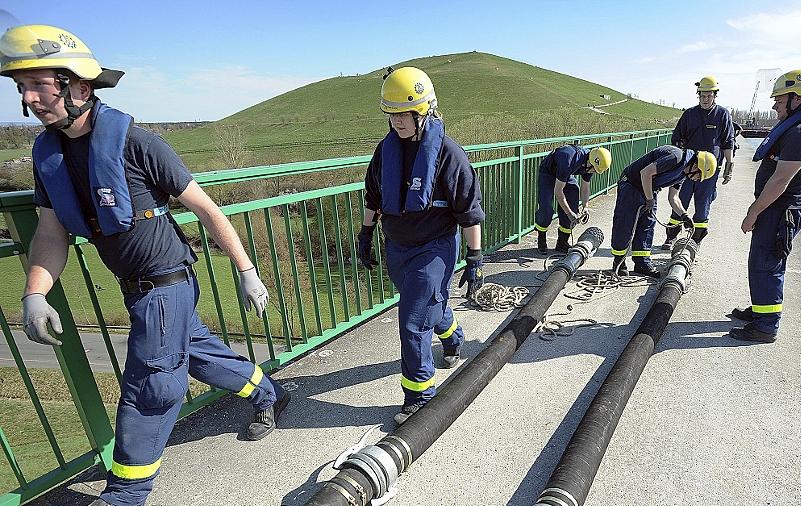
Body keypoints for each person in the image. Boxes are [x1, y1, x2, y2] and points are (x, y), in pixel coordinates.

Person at [1, 25, 290, 506]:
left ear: (79, 87)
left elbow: (206, 209)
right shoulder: (48, 156)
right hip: (136, 288)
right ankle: (269, 394)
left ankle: (125, 494)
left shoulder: (138, 143)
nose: (29, 98)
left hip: (167, 284)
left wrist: (246, 271)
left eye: (39, 84)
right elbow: (52, 233)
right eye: (21, 88)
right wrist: (35, 293)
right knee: (196, 355)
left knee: (151, 385)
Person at [356, 67, 485, 425]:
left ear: (424, 110)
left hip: (434, 247)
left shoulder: (448, 154)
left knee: (412, 321)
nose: (397, 121)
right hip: (397, 246)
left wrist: (475, 259)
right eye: (391, 113)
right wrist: (366, 235)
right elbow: (373, 195)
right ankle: (454, 338)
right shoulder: (385, 152)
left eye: (404, 114)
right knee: (430, 306)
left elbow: (469, 211)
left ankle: (419, 396)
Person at [729, 69, 801, 343]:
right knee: (760, 263)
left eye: (779, 100)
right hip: (776, 209)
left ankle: (766, 326)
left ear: (796, 98)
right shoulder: (796, 124)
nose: (774, 104)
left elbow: (781, 180)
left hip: (781, 212)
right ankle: (761, 310)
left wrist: (753, 211)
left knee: (767, 265)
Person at [610, 145, 716, 277]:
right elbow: (645, 173)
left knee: (647, 226)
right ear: (696, 167)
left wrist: (684, 215)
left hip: (649, 188)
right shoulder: (675, 157)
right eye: (699, 177)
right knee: (625, 225)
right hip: (632, 185)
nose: (696, 180)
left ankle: (642, 263)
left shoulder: (682, 174)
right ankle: (619, 262)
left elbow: (673, 197)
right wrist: (649, 198)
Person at [662, 76, 735, 249]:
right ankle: (671, 236)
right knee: (681, 200)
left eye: (709, 96)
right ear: (698, 95)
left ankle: (695, 241)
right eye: (702, 96)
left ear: (715, 96)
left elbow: (728, 142)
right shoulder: (690, 114)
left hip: (710, 171)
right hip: (688, 168)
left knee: (703, 205)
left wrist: (729, 166)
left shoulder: (722, 115)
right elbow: (677, 138)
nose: (705, 99)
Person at [534, 144, 612, 253]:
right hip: (548, 173)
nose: (594, 172)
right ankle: (541, 239)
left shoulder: (591, 163)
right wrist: (569, 213)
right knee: (546, 209)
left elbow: (585, 188)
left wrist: (585, 207)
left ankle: (562, 243)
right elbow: (558, 191)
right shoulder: (569, 159)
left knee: (572, 203)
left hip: (566, 174)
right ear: (591, 163)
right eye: (594, 170)